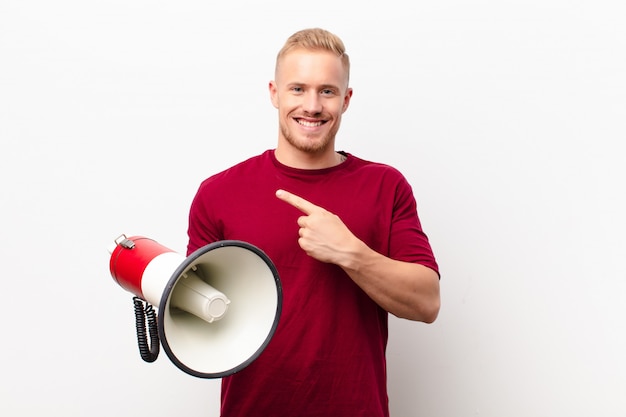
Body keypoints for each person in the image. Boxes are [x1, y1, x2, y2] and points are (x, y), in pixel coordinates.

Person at [186, 27, 440, 417]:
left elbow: (427, 302)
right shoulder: (218, 194)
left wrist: (350, 253)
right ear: (274, 93)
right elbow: (198, 321)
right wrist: (157, 283)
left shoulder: (385, 186)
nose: (313, 106)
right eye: (298, 89)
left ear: (346, 99)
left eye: (327, 91)